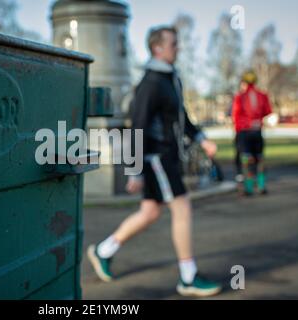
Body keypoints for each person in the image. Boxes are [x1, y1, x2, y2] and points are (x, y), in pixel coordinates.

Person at [87, 25, 222, 297]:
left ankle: (103, 251)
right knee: (182, 209)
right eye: (174, 44)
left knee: (150, 212)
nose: (178, 48)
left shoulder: (171, 79)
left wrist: (202, 139)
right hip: (156, 157)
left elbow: (181, 116)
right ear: (157, 48)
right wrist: (135, 171)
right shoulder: (150, 83)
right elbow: (136, 126)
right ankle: (188, 277)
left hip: (165, 156)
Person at [232, 70, 272, 196]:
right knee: (259, 158)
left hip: (244, 132)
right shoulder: (262, 95)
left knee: (246, 159)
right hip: (257, 130)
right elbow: (267, 111)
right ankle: (261, 185)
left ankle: (248, 188)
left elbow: (235, 114)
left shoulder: (240, 97)